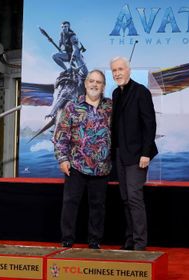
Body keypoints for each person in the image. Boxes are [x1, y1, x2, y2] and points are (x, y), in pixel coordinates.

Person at [53, 69, 112, 249]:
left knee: (98, 206)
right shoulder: (72, 106)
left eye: (99, 82)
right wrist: (62, 159)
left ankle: (95, 240)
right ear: (85, 84)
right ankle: (67, 239)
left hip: (102, 167)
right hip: (75, 165)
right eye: (91, 81)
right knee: (70, 203)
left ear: (103, 87)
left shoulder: (110, 107)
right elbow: (60, 135)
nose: (94, 84)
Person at [110, 57, 158, 251]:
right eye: (114, 70)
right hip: (120, 154)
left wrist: (146, 153)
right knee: (124, 198)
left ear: (129, 70)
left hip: (138, 155)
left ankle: (140, 243)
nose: (117, 73)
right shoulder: (115, 93)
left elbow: (150, 123)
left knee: (134, 197)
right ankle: (129, 241)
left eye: (120, 69)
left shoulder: (141, 92)